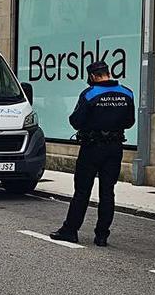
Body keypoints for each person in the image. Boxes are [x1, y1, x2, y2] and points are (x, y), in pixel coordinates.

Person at [50, 61, 136, 247]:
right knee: (107, 192)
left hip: (92, 147)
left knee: (82, 191)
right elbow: (130, 122)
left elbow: (76, 120)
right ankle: (102, 235)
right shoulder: (127, 93)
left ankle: (70, 231)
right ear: (108, 73)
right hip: (115, 148)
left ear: (92, 76)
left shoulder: (90, 94)